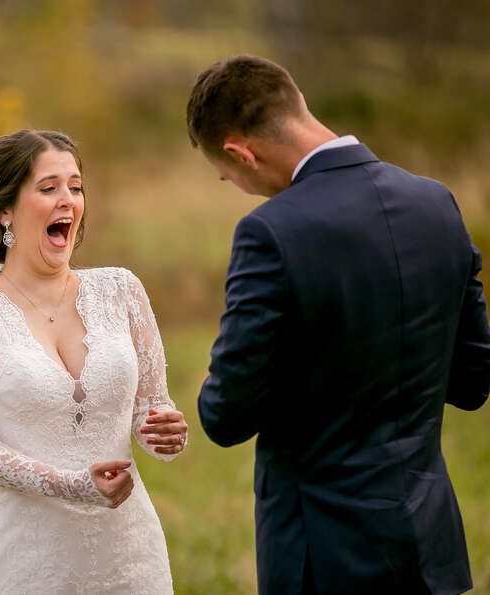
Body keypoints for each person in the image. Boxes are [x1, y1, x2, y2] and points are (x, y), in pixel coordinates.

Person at [187, 55, 490, 594]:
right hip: (428, 548)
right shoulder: (437, 203)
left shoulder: (270, 233)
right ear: (297, 104)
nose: (239, 187)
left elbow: (226, 414)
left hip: (321, 557)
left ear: (241, 151)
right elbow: (472, 382)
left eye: (226, 176)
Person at [0, 129, 188, 594]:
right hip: (25, 558)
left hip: (128, 553)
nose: (68, 199)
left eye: (76, 186)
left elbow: (151, 409)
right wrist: (71, 485)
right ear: (5, 209)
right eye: (49, 188)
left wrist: (164, 430)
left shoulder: (122, 291)